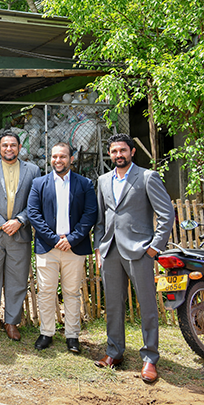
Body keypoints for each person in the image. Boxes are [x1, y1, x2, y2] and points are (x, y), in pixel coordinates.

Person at [93, 133, 174, 383]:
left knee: (147, 306)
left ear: (132, 152)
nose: (118, 155)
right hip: (110, 251)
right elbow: (100, 218)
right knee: (113, 305)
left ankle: (150, 358)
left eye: (123, 150)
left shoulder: (147, 177)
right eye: (114, 151)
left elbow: (166, 214)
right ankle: (114, 352)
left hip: (140, 251)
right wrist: (99, 248)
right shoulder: (103, 180)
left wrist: (154, 248)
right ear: (110, 154)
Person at [27, 142, 97, 353]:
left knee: (72, 292)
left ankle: (72, 335)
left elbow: (90, 214)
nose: (58, 160)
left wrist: (72, 239)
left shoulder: (84, 184)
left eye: (63, 156)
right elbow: (33, 213)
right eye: (55, 156)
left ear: (71, 158)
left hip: (74, 248)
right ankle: (46, 333)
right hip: (48, 247)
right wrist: (53, 239)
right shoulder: (39, 183)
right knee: (46, 292)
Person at [0, 131, 41, 342]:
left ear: (20, 147)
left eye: (13, 145)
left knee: (17, 279)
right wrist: (0, 224)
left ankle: (11, 322)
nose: (9, 148)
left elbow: (35, 201)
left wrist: (20, 220)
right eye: (5, 145)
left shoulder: (33, 170)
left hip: (20, 232)